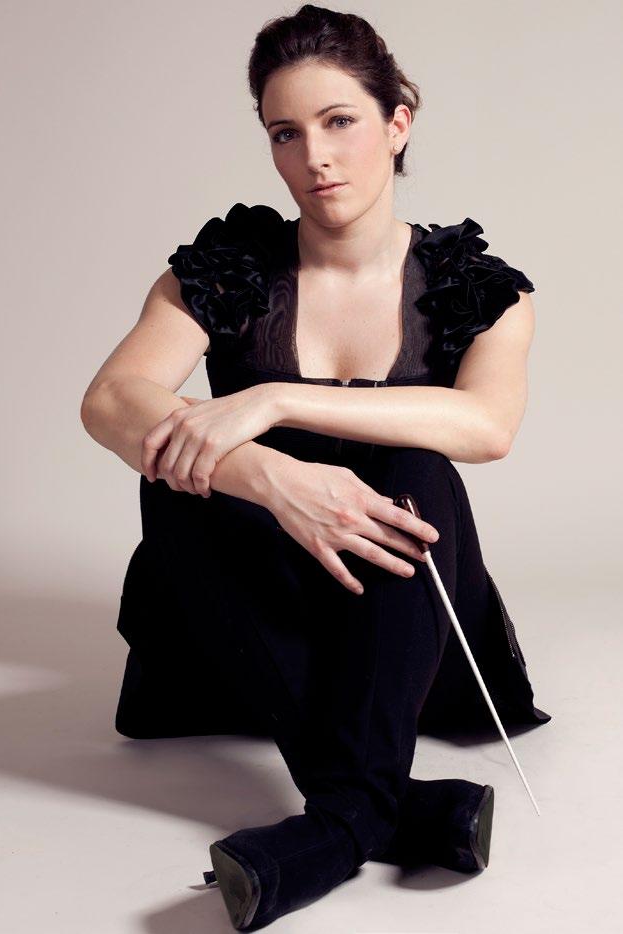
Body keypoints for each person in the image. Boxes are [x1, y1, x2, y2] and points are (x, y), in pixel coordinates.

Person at [80, 5, 551, 930]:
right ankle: (381, 805)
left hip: (398, 619)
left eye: (339, 122)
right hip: (249, 622)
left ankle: (338, 824)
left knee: (419, 466)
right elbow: (109, 402)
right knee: (177, 466)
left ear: (397, 123)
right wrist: (272, 476)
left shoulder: (474, 287)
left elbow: (486, 426)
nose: (315, 157)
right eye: (285, 133)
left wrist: (274, 400)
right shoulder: (230, 267)